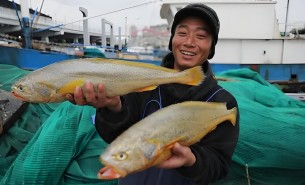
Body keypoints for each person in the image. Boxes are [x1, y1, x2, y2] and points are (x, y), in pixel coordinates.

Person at [67, 3, 239, 185]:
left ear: (211, 47)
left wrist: (191, 160)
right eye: (182, 33)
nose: (189, 42)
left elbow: (219, 166)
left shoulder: (223, 103)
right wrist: (114, 107)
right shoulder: (143, 84)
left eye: (201, 36)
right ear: (172, 39)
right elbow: (113, 135)